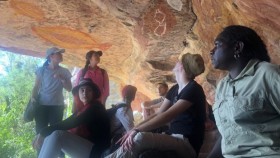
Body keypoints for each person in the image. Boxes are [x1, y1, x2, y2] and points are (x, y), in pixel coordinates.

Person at [105, 53, 206, 158]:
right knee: (135, 139)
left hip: (187, 143)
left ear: (182, 67)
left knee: (140, 138)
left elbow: (167, 116)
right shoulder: (175, 88)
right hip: (173, 137)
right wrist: (134, 129)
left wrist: (137, 130)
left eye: (180, 60)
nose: (177, 62)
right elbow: (159, 112)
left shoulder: (193, 89)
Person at [208, 25, 280, 157]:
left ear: (237, 47)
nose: (211, 51)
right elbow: (228, 134)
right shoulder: (222, 86)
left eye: (217, 45)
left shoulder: (268, 74)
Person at [33, 78, 111, 158]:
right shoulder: (81, 110)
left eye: (89, 90)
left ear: (93, 93)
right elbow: (68, 121)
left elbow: (70, 123)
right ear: (78, 93)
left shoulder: (96, 108)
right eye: (82, 90)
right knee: (50, 136)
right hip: (88, 149)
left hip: (98, 152)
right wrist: (44, 133)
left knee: (58, 135)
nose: (85, 93)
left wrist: (43, 131)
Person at [31, 46, 72, 138]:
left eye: (61, 53)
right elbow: (36, 87)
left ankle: (56, 152)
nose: (61, 55)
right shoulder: (41, 70)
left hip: (57, 107)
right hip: (41, 106)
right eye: (58, 53)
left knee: (55, 134)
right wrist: (33, 98)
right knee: (40, 134)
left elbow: (69, 88)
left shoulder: (64, 71)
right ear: (51, 56)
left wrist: (62, 79)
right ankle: (40, 152)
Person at [110, 85, 137, 152]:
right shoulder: (123, 110)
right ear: (133, 97)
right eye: (133, 94)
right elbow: (131, 130)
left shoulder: (120, 105)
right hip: (116, 138)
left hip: (118, 134)